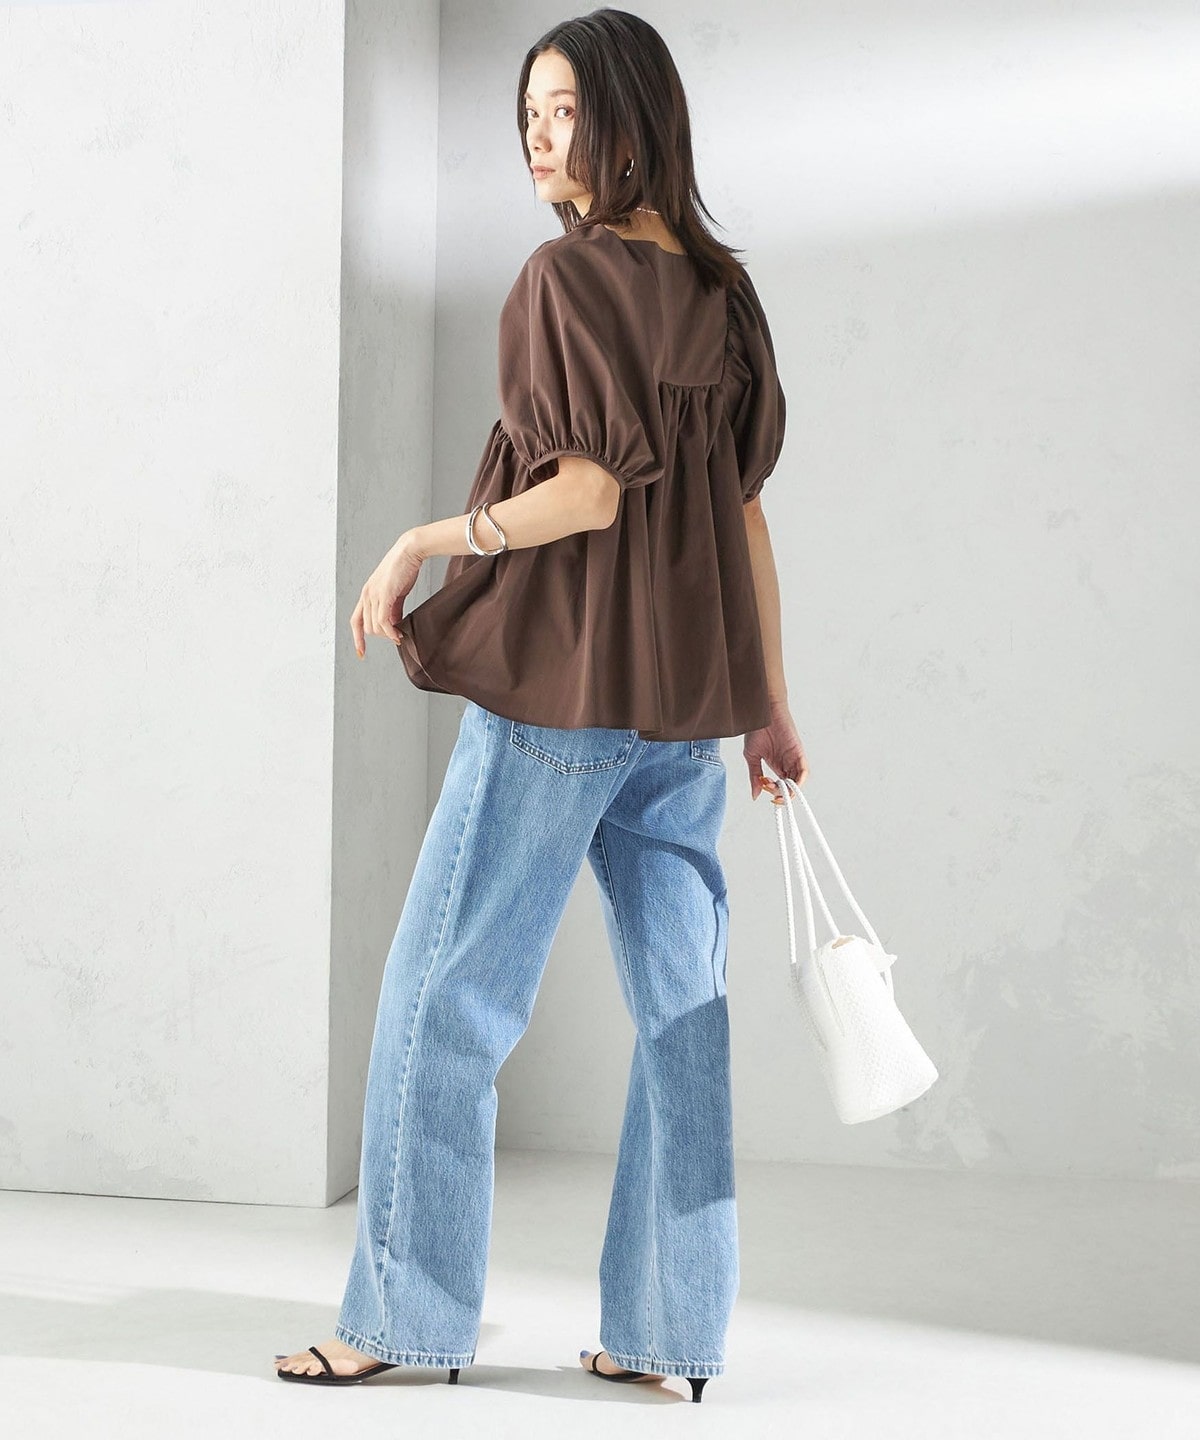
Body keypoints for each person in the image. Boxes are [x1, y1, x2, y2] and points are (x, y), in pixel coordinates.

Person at [274, 7, 808, 1402]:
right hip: (685, 713)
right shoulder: (728, 298)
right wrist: (766, 704)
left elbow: (587, 493)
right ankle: (669, 1337)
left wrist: (424, 539)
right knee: (684, 1016)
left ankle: (404, 1316)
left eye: (565, 110)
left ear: (632, 119)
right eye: (528, 113)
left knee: (444, 997)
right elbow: (745, 517)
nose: (539, 138)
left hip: (564, 695)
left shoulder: (566, 279)